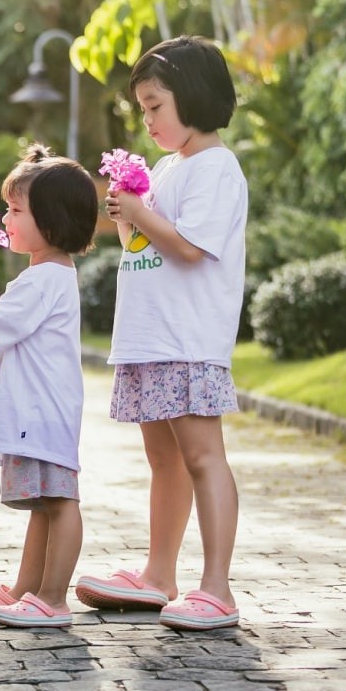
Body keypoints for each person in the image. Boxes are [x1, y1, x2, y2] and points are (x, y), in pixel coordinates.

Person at [74, 35, 247, 631]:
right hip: (150, 337)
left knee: (202, 458)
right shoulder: (171, 168)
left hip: (188, 341)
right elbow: (145, 248)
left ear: (194, 98)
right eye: (143, 108)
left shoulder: (216, 167)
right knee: (163, 461)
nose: (146, 120)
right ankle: (158, 576)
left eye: (155, 106)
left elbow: (194, 248)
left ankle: (216, 588)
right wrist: (129, 217)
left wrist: (143, 211)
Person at [0, 144, 99, 628]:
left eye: (17, 210)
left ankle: (53, 598)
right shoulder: (45, 276)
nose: (5, 219)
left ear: (53, 219)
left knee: (59, 503)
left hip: (43, 413)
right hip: (41, 411)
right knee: (45, 505)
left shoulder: (42, 281)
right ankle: (29, 589)